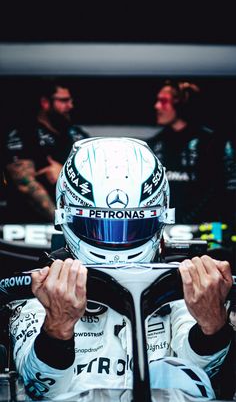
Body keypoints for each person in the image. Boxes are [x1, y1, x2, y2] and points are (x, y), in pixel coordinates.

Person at [8, 137, 234, 399]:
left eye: (133, 227)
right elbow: (40, 390)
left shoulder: (180, 290)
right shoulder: (42, 296)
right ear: (65, 216)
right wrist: (57, 328)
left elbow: (203, 377)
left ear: (161, 219)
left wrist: (212, 325)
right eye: (99, 227)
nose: (116, 242)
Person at [146, 79, 235, 227]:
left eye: (163, 101)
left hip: (207, 231)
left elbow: (228, 190)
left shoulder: (215, 144)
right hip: (164, 230)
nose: (157, 106)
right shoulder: (154, 145)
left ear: (180, 104)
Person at [3, 80, 89, 223]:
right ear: (45, 102)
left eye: (71, 101)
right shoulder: (24, 134)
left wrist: (63, 175)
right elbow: (25, 184)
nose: (70, 105)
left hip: (75, 223)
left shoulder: (77, 135)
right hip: (30, 224)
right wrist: (60, 221)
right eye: (64, 100)